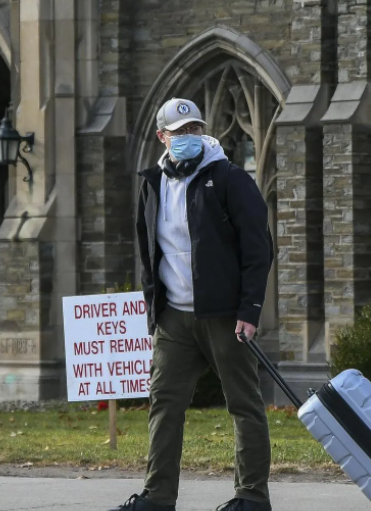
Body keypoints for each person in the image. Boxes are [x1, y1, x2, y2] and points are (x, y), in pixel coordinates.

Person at [111, 98, 274, 511]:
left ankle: (252, 497)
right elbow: (151, 252)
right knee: (164, 404)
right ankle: (158, 496)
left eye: (194, 130)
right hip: (174, 320)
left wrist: (249, 310)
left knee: (243, 403)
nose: (188, 138)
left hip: (224, 316)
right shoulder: (152, 184)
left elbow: (258, 249)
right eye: (180, 132)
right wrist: (154, 309)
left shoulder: (230, 179)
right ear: (162, 137)